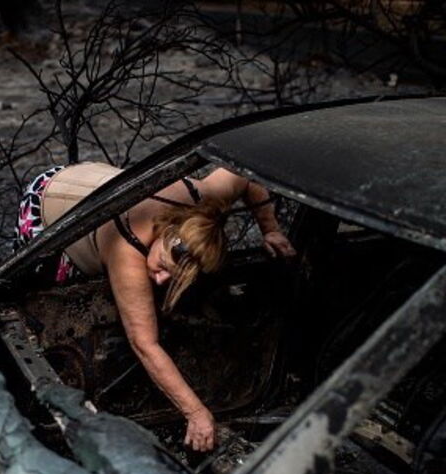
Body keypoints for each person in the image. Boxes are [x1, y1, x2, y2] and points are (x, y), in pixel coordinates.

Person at [15, 162, 296, 451]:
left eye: (170, 277)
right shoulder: (128, 247)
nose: (160, 279)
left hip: (99, 186)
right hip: (52, 200)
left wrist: (270, 230)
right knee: (48, 297)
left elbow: (244, 173)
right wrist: (196, 413)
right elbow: (145, 343)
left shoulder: (206, 197)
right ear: (167, 232)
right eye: (163, 265)